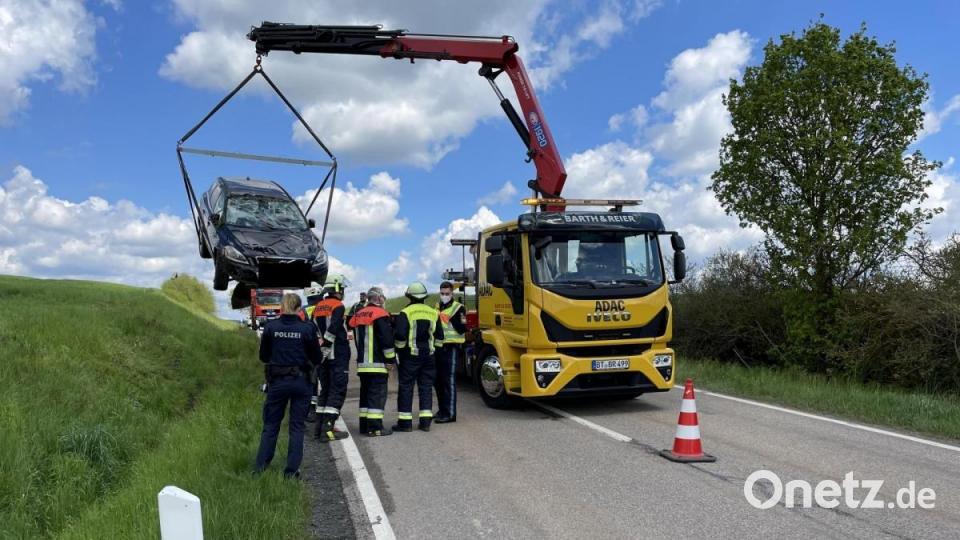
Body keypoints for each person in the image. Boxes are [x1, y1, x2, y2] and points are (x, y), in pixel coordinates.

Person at [254, 293, 322, 478]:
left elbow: (263, 357)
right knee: (297, 427)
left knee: (270, 425)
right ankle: (291, 472)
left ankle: (260, 469)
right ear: (299, 308)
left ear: (282, 307)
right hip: (301, 382)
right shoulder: (307, 328)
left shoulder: (271, 327)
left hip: (277, 383)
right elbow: (317, 358)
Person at [392, 282, 445, 432]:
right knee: (426, 388)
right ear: (424, 297)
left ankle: (405, 424)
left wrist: (400, 351)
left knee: (406, 388)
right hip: (429, 357)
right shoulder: (433, 312)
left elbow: (400, 335)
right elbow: (440, 337)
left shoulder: (406, 312)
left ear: (409, 296)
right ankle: (425, 423)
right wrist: (435, 352)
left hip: (410, 358)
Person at [348, 287, 396, 437]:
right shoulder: (380, 313)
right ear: (378, 298)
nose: (384, 299)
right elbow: (386, 339)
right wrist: (390, 360)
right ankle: (375, 428)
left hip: (363, 365)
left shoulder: (358, 314)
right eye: (383, 297)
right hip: (377, 364)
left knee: (365, 395)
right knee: (377, 395)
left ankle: (364, 425)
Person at [311, 275, 351, 442]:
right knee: (337, 391)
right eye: (342, 288)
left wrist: (321, 351)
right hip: (337, 356)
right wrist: (327, 346)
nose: (343, 292)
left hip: (323, 357)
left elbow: (313, 331)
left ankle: (319, 429)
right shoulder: (338, 306)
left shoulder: (317, 307)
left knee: (325, 391)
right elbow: (333, 328)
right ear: (337, 289)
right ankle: (327, 430)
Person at [434, 281, 466, 423]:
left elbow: (462, 328)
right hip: (438, 347)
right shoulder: (437, 306)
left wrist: (449, 319)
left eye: (447, 293)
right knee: (438, 381)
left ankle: (450, 414)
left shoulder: (459, 308)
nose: (444, 296)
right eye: (442, 293)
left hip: (451, 347)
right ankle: (442, 410)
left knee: (449, 381)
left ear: (452, 293)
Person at [300, 283, 325, 421]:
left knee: (311, 380)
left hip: (307, 351)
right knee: (326, 379)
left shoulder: (302, 311)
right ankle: (324, 408)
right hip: (326, 349)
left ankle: (310, 409)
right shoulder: (326, 308)